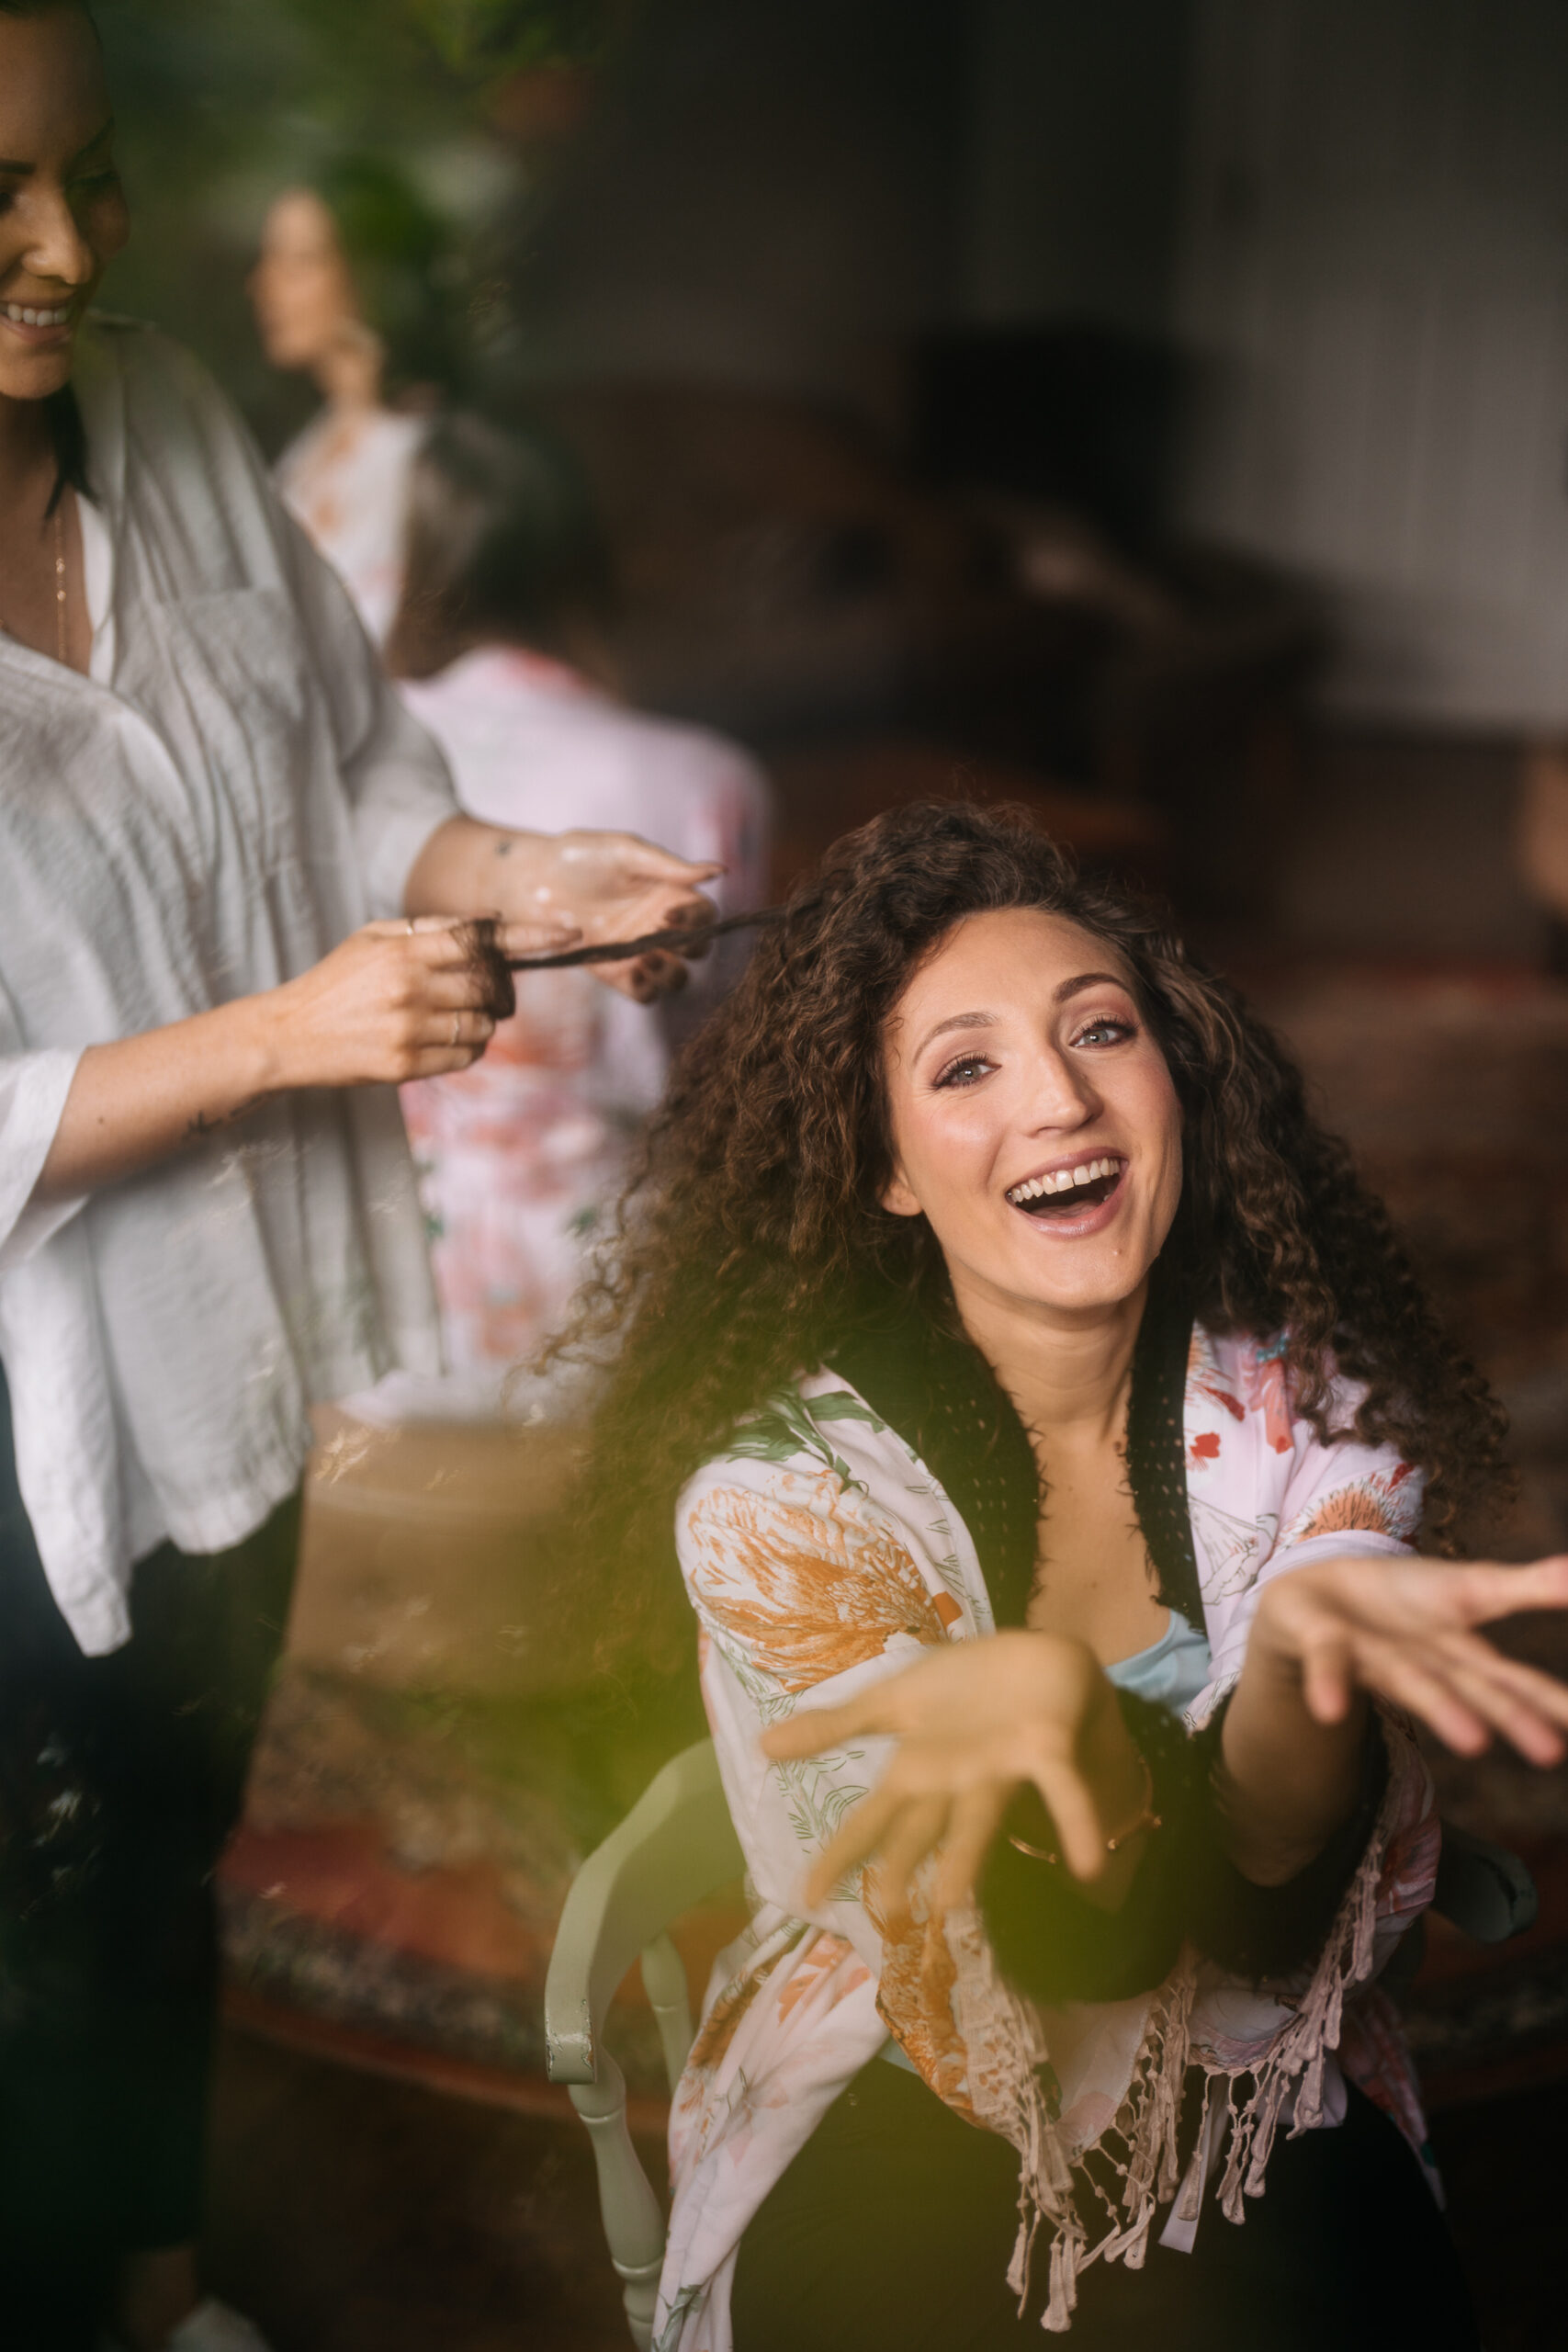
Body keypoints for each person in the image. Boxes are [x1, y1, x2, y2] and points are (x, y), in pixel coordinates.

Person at [0, 9, 716, 2349]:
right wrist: (280, 1036)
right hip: (26, 1412)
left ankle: (157, 2288)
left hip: (226, 1342)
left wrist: (505, 862)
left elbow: (340, 772)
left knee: (168, 1852)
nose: (61, 247)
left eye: (87, 179)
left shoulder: (173, 421)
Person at [558, 798, 1568, 2350]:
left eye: (1099, 1033)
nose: (1057, 1101)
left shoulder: (1319, 1426)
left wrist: (1301, 1644)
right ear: (886, 1167)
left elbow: (1258, 1921)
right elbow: (1053, 1956)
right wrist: (1063, 1728)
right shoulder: (778, 1505)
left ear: (1180, 1083)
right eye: (963, 1067)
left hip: (1253, 2094)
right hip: (915, 2101)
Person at [380, 410, 771, 1404]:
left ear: (415, 559)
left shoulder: (354, 758)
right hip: (615, 1298)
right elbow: (723, 1044)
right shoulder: (705, 778)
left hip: (384, 1291)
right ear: (592, 560)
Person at [249, 158, 454, 644]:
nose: (262, 284)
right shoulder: (313, 442)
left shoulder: (433, 455)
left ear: (372, 272)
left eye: (299, 260)